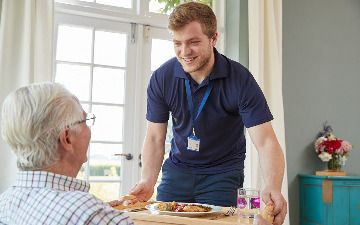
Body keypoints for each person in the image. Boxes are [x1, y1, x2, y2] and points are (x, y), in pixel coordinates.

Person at [130, 2, 287, 225]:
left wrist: (272, 187)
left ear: (213, 38)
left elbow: (266, 142)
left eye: (193, 42)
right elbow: (155, 137)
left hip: (222, 174)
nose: (184, 52)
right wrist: (147, 179)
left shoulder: (240, 79)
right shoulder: (161, 78)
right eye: (177, 43)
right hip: (177, 171)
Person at [0, 83, 133, 225]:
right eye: (85, 120)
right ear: (67, 138)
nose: (89, 130)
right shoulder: (88, 213)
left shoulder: (5, 202)